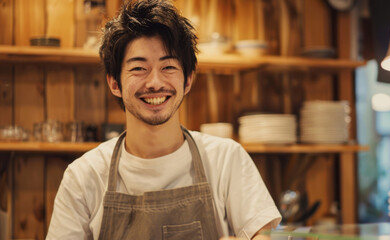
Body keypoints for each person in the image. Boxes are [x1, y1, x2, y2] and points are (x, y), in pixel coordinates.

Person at [46, 0, 281, 239]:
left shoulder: (226, 159)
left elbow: (262, 235)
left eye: (168, 66)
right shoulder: (84, 176)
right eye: (138, 68)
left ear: (188, 80)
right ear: (114, 83)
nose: (155, 82)